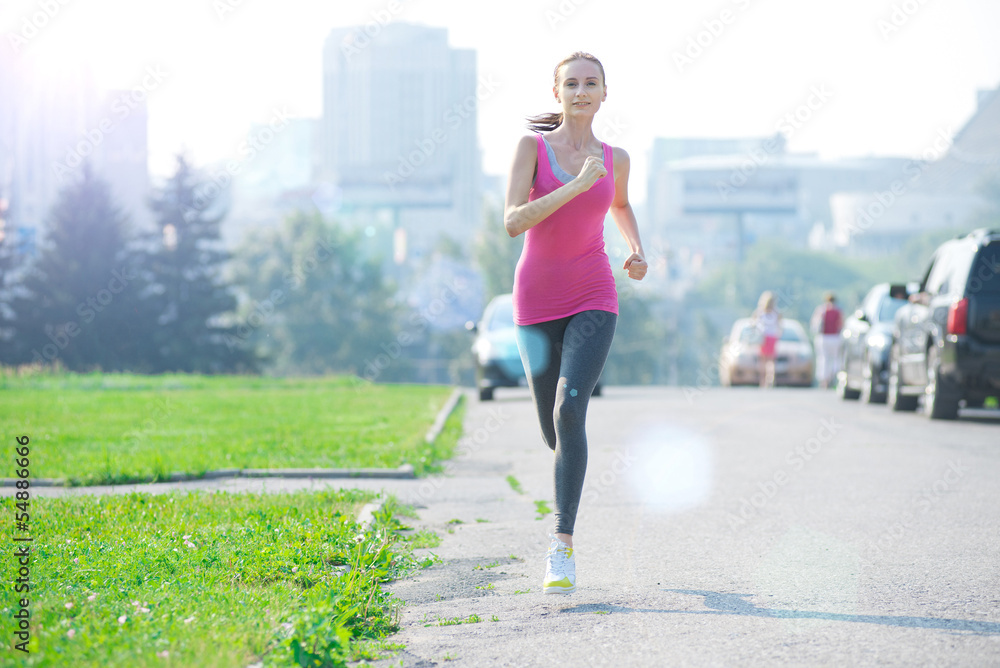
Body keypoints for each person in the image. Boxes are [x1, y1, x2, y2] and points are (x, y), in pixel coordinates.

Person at [503, 51, 647, 595]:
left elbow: (622, 205)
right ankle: (568, 461)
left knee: (570, 408)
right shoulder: (531, 149)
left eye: (591, 84)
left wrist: (636, 249)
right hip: (536, 300)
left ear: (605, 93)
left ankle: (561, 546)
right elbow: (513, 222)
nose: (582, 91)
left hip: (594, 293)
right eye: (572, 84)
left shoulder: (617, 158)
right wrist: (575, 185)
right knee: (554, 428)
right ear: (556, 92)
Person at [810, 292, 843, 389]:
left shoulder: (822, 310)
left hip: (823, 337)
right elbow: (841, 324)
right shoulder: (838, 311)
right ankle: (832, 377)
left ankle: (824, 380)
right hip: (835, 337)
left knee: (823, 358)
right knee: (834, 358)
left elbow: (815, 324)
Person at [752, 291, 781, 389]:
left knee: (763, 361)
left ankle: (762, 381)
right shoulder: (776, 312)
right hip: (772, 338)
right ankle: (771, 380)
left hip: (763, 338)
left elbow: (753, 323)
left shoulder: (759, 312)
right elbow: (780, 325)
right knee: (771, 361)